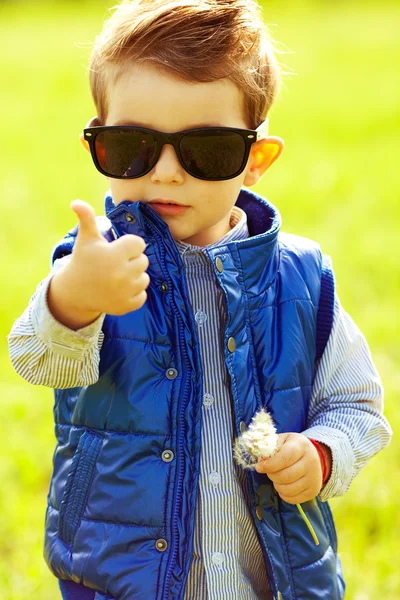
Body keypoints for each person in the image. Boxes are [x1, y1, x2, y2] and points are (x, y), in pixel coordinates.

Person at [8, 0, 392, 599]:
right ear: (95, 146)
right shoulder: (94, 264)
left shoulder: (300, 278)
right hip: (123, 577)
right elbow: (38, 360)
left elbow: (357, 406)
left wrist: (322, 453)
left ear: (255, 161)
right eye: (132, 145)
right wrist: (74, 300)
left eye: (206, 151)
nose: (164, 173)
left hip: (274, 578)